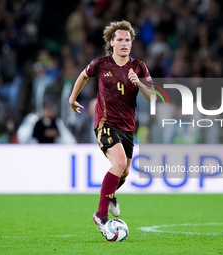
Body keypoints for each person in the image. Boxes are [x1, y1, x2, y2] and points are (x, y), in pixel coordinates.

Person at [69, 20, 155, 237]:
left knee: (124, 171)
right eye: (120, 40)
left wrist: (140, 84)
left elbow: (153, 96)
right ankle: (101, 215)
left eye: (128, 40)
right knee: (117, 163)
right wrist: (72, 98)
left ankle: (110, 195)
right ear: (111, 42)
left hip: (128, 128)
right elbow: (83, 75)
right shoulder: (101, 64)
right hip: (106, 123)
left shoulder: (139, 67)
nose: (125, 43)